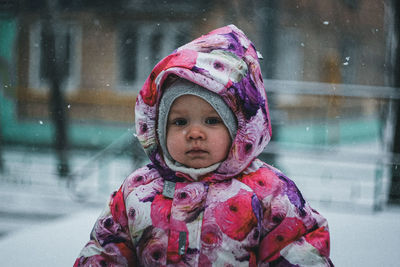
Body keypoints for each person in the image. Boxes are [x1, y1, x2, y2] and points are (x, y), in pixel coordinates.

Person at [74, 24, 333, 266]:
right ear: (159, 130)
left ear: (239, 131)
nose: (194, 133)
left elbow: (298, 249)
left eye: (211, 120)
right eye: (179, 122)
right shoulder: (138, 191)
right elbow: (105, 251)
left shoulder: (269, 192)